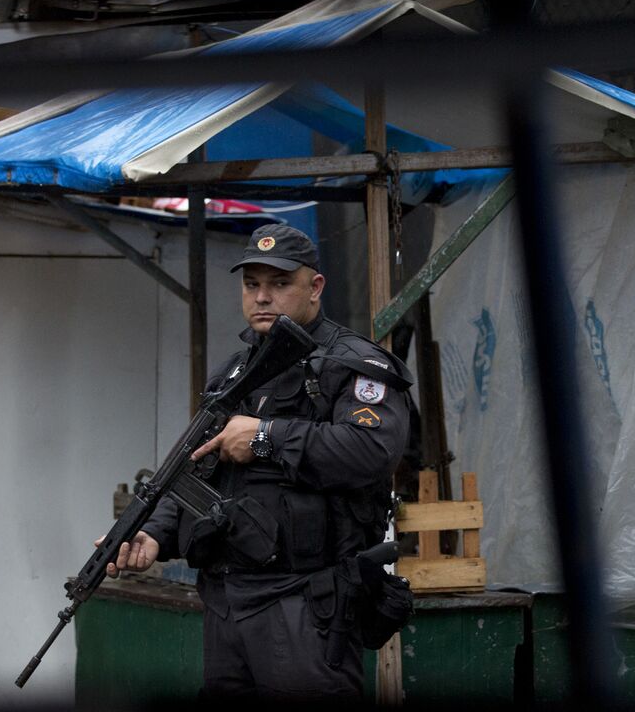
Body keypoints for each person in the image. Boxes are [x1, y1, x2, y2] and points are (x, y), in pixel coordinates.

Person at [96, 223, 414, 700]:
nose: (262, 297)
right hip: (226, 604)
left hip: (305, 604)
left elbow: (372, 450)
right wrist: (153, 533)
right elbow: (193, 468)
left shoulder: (350, 364)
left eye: (280, 283)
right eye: (252, 284)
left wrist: (266, 437)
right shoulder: (233, 373)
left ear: (315, 287)